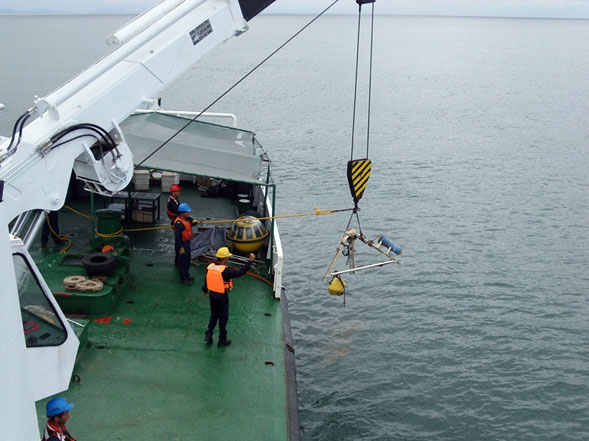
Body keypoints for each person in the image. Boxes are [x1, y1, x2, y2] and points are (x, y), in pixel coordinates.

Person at [203, 247, 255, 347]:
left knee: (214, 315)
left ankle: (209, 335)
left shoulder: (210, 267)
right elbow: (240, 272)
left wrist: (205, 290)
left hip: (212, 295)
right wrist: (250, 262)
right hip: (222, 297)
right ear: (224, 259)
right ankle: (222, 340)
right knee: (223, 318)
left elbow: (207, 280)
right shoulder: (226, 271)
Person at [174, 203, 195, 285]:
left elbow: (190, 224)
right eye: (187, 212)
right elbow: (177, 237)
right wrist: (180, 247)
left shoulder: (186, 220)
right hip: (182, 244)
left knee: (187, 260)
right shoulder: (179, 224)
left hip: (187, 242)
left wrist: (195, 222)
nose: (188, 213)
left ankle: (186, 275)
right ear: (182, 213)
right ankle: (183, 278)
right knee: (182, 262)